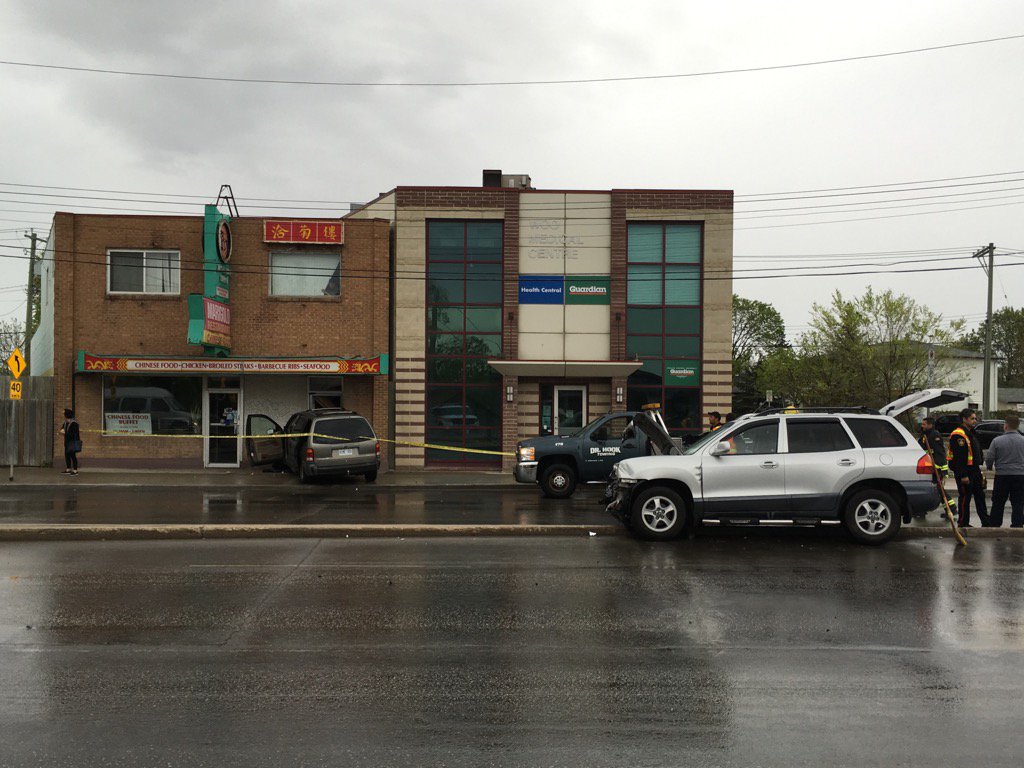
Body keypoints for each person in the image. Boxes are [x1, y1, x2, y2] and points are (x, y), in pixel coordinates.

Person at [947, 408, 989, 527]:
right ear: (964, 419)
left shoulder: (970, 432)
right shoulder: (958, 435)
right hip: (965, 472)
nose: (975, 420)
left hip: (975, 470)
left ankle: (986, 522)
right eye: (972, 418)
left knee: (980, 496)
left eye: (975, 418)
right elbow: (959, 457)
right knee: (965, 497)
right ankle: (963, 523)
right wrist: (963, 475)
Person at [985, 415, 1024, 528]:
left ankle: (995, 524)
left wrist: (989, 467)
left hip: (1002, 476)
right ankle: (1017, 524)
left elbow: (990, 457)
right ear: (1017, 426)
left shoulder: (997, 440)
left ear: (1005, 426)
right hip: (1020, 476)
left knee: (998, 502)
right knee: (1018, 502)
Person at [918, 417, 952, 517]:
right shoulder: (925, 435)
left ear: (930, 425)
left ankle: (951, 508)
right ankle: (921, 510)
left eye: (924, 424)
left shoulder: (935, 435)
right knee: (930, 488)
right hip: (928, 467)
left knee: (938, 489)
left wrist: (943, 469)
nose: (922, 426)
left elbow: (940, 453)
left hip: (936, 468)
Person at [58, 408, 81, 476]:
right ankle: (68, 469)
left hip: (73, 442)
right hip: (67, 442)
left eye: (64, 414)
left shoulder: (74, 423)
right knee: (67, 455)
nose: (63, 415)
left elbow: (75, 434)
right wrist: (60, 431)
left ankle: (75, 470)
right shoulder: (65, 423)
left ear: (66, 415)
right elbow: (62, 429)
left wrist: (65, 433)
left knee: (73, 456)